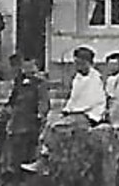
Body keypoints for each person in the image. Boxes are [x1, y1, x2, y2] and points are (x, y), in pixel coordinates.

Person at [21, 45, 108, 173]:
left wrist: (71, 111)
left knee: (56, 127)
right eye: (76, 63)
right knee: (49, 122)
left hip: (89, 115)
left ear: (89, 63)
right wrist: (67, 110)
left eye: (81, 63)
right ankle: (43, 158)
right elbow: (74, 99)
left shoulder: (95, 79)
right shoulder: (78, 78)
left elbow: (91, 101)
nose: (78, 66)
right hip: (76, 112)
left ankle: (47, 161)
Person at [0, 52, 49, 174]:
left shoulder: (39, 83)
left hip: (29, 119)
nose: (27, 69)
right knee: (6, 132)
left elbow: (43, 102)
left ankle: (14, 169)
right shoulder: (20, 81)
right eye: (25, 66)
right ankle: (5, 168)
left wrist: (41, 114)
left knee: (18, 139)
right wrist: (7, 109)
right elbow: (13, 99)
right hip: (16, 117)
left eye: (31, 66)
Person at [18, 0, 54, 67]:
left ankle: (38, 65)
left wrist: (40, 16)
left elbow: (46, 3)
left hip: (36, 24)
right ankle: (28, 65)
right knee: (26, 45)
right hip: (27, 23)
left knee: (37, 45)